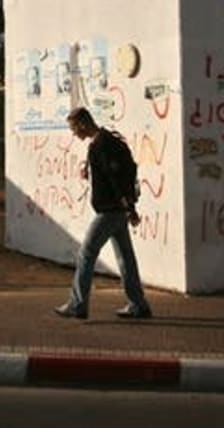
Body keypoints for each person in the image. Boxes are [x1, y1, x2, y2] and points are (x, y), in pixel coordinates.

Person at [54, 106, 153, 321]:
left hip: (109, 211)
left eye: (73, 128)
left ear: (82, 124)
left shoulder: (101, 145)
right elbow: (112, 176)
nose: (73, 133)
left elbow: (115, 179)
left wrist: (129, 208)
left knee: (86, 254)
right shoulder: (105, 140)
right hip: (117, 211)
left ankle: (77, 304)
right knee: (125, 257)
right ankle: (138, 304)